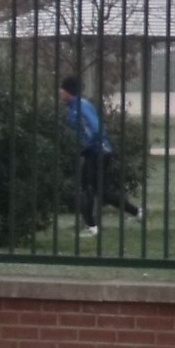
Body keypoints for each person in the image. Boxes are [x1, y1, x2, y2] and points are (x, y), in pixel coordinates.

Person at [57, 74, 140, 236]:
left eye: (61, 89)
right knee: (98, 190)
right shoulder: (78, 105)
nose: (59, 92)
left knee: (90, 189)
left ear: (67, 91)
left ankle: (92, 227)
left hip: (97, 152)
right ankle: (136, 213)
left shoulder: (79, 107)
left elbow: (95, 129)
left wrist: (86, 144)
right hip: (95, 151)